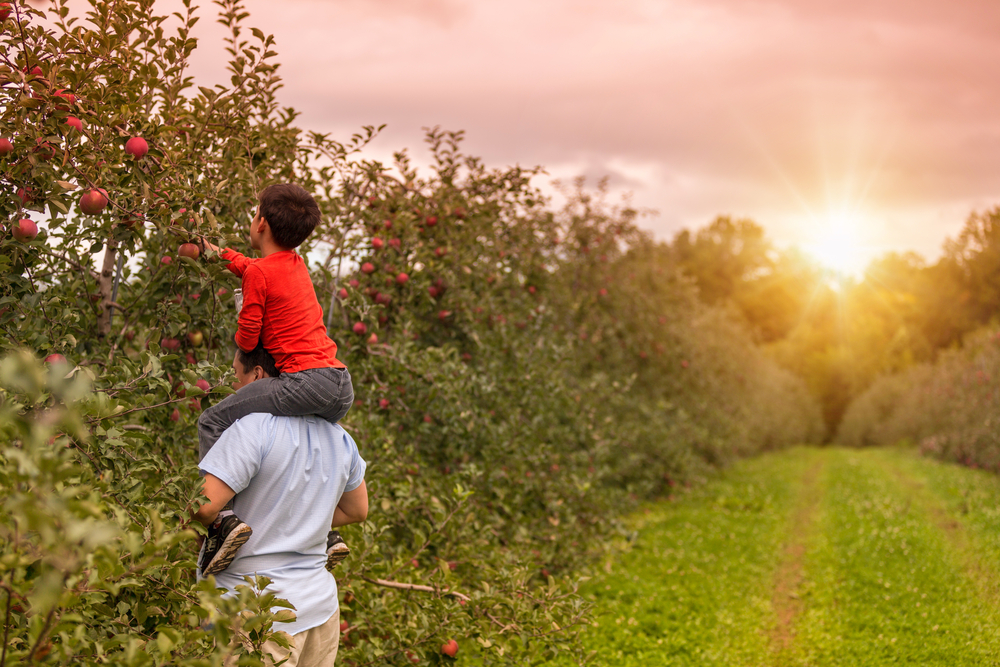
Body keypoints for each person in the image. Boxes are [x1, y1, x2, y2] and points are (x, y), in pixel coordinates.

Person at [196, 183, 355, 575]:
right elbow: (252, 267)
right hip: (339, 385)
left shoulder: (260, 275)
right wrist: (217, 254)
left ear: (260, 223)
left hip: (305, 381)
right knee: (307, 445)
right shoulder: (294, 264)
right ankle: (324, 530)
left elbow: (249, 335)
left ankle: (223, 522)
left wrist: (244, 335)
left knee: (213, 420)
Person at [192, 343, 368, 667]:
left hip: (254, 616)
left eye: (235, 375)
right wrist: (305, 517)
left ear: (258, 375)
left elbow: (203, 506)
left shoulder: (251, 428)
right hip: (320, 611)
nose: (235, 388)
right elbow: (357, 511)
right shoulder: (341, 437)